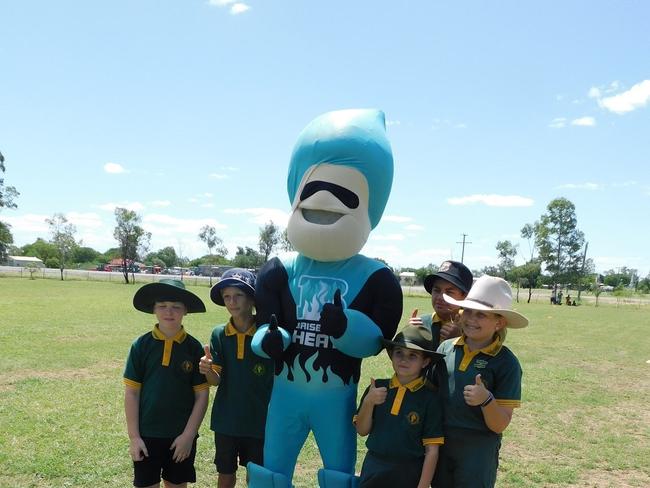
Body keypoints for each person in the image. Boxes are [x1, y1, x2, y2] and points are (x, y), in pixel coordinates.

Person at [434, 275, 529, 488]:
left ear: (499, 322)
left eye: (481, 315)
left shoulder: (506, 363)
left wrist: (486, 400)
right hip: (440, 444)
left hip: (477, 452)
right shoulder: (445, 349)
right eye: (467, 310)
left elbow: (500, 424)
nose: (471, 319)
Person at [124, 279, 209, 488]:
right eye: (162, 306)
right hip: (147, 434)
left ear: (185, 311)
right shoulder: (141, 346)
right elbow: (132, 393)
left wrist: (189, 435)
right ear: (154, 309)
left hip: (180, 437)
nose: (168, 312)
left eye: (176, 307)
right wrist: (134, 437)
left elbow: (202, 395)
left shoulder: (193, 347)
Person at [199, 268, 273, 488]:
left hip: (259, 421)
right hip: (226, 421)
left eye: (238, 295)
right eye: (227, 297)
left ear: (252, 298)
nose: (232, 302)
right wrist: (207, 370)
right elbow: (216, 380)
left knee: (256, 475)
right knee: (225, 474)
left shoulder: (267, 333)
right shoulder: (219, 334)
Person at [355, 326, 445, 488]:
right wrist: (369, 402)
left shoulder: (430, 398)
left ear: (425, 361)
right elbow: (362, 430)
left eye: (413, 356)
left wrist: (423, 486)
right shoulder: (377, 388)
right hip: (374, 466)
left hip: (408, 472)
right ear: (391, 355)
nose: (404, 360)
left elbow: (432, 451)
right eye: (399, 353)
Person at [409, 261, 473, 349]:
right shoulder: (422, 323)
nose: (440, 297)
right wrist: (409, 336)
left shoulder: (473, 326)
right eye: (436, 290)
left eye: (449, 292)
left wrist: (460, 339)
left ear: (464, 296)